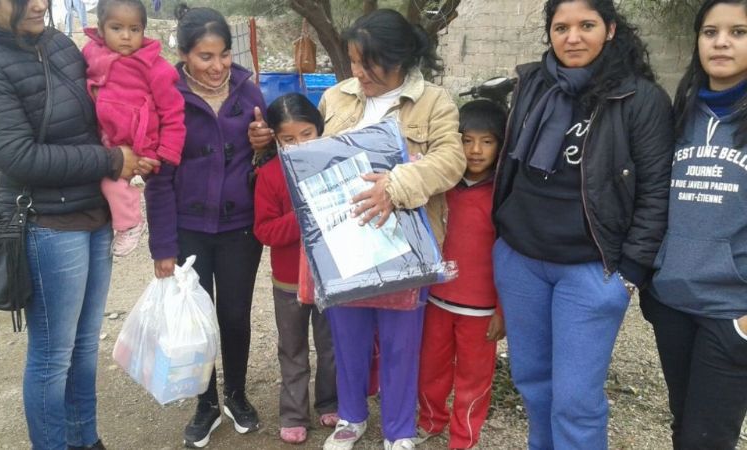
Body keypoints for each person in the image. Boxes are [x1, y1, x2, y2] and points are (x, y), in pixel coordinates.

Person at [250, 9, 465, 450]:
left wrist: (397, 184)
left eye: (369, 63)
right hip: (344, 242)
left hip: (403, 242)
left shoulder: (434, 102)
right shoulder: (338, 98)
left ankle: (400, 431)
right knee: (347, 337)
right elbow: (311, 152)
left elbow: (451, 160)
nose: (359, 73)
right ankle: (350, 417)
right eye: (353, 61)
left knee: (401, 343)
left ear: (399, 59)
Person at [0, 0, 157, 447]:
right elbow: (19, 157)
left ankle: (86, 439)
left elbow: (103, 106)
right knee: (52, 356)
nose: (41, 4)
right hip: (47, 224)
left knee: (83, 349)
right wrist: (111, 159)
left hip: (93, 213)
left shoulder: (56, 42)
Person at [491, 0, 674, 448]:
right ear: (550, 33)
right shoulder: (532, 83)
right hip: (521, 260)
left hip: (591, 269)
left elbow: (655, 192)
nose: (572, 37)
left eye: (586, 25)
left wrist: (629, 273)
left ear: (610, 30)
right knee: (533, 383)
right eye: (561, 27)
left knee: (576, 399)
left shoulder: (639, 98)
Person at [144, 4, 266, 448]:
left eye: (225, 55)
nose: (218, 67)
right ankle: (206, 402)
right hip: (189, 228)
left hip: (240, 227)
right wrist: (162, 246)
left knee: (233, 315)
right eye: (206, 57)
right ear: (184, 55)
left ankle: (235, 393)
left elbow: (268, 162)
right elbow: (158, 178)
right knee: (194, 321)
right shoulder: (167, 96)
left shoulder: (249, 93)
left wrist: (263, 145)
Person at [643, 1, 747, 448]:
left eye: (738, 32)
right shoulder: (681, 114)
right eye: (710, 32)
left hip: (729, 310)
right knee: (683, 426)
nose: (721, 41)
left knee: (709, 439)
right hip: (673, 302)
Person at [415, 99, 507, 450]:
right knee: (431, 370)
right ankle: (430, 421)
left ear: (501, 144)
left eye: (487, 141)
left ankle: (464, 438)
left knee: (474, 379)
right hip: (437, 299)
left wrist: (502, 310)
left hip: (480, 310)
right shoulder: (442, 186)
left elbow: (509, 257)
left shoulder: (503, 195)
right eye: (466, 140)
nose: (476, 150)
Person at [252, 93, 339, 445]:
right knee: (292, 347)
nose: (299, 144)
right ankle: (293, 412)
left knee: (331, 344)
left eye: (307, 134)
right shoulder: (270, 175)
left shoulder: (335, 167)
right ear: (275, 138)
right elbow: (264, 230)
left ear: (319, 129)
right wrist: (303, 217)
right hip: (288, 282)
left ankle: (330, 401)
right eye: (288, 139)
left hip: (330, 277)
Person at [82, 0, 185, 256]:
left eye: (134, 29)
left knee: (115, 185)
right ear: (101, 29)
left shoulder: (155, 67)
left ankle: (130, 224)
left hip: (145, 146)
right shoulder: (93, 55)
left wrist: (165, 154)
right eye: (117, 28)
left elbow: (173, 112)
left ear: (144, 30)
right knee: (106, 183)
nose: (126, 36)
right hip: (110, 142)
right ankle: (126, 220)